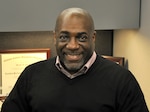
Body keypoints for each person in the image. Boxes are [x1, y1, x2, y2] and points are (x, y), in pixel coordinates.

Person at [1, 7, 149, 112]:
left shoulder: (122, 80)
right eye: (64, 37)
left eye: (82, 37)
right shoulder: (31, 75)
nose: (72, 46)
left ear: (93, 38)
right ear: (55, 37)